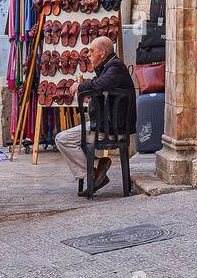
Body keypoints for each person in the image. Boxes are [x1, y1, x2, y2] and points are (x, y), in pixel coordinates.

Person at [54, 36, 136, 191]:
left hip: (111, 129)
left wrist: (80, 86)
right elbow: (105, 91)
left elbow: (100, 85)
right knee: (70, 138)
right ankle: (96, 170)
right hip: (108, 125)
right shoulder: (110, 67)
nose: (88, 55)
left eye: (91, 51)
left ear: (102, 53)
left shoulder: (115, 67)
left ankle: (95, 169)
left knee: (62, 139)